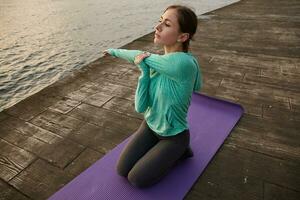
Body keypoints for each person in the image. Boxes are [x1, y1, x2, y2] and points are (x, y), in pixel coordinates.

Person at [103, 4, 202, 188]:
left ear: (183, 36)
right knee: (122, 170)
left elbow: (138, 55)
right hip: (150, 126)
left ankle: (180, 152)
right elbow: (140, 108)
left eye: (166, 24)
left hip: (174, 136)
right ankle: (166, 152)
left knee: (137, 179)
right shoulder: (158, 66)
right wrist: (144, 74)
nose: (157, 27)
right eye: (159, 21)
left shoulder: (183, 63)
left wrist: (114, 51)